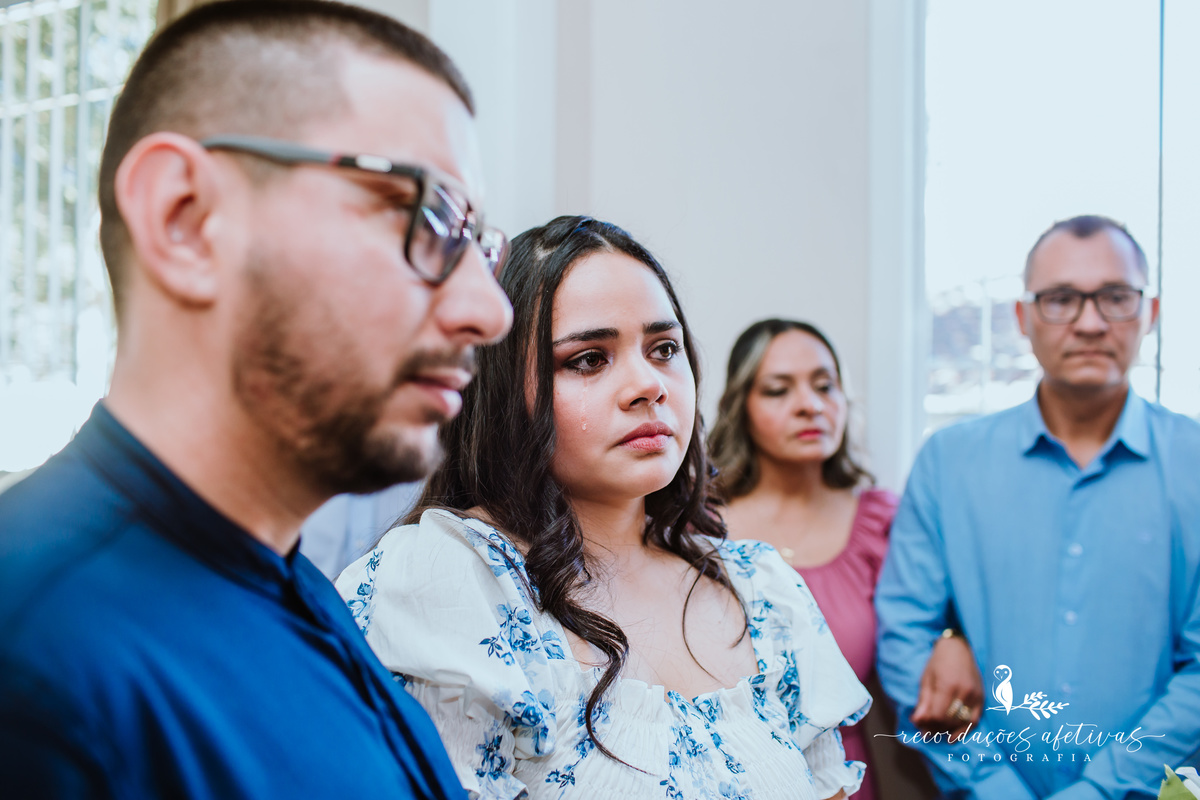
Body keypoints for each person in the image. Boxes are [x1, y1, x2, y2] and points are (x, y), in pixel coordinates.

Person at [0, 1, 513, 797]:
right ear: (186, 220)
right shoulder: (38, 665)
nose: (491, 309)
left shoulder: (290, 587)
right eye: (425, 213)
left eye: (479, 246)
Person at [337, 216, 871, 800]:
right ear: (502, 389)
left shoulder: (763, 589)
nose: (649, 385)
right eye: (589, 359)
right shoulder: (451, 581)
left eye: (664, 349)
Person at [876, 215, 1200, 799]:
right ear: (1023, 319)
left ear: (1149, 312)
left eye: (1116, 297)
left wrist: (1099, 792)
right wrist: (993, 786)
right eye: (1061, 299)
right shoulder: (949, 462)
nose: (1091, 322)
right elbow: (906, 639)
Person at [709, 319, 977, 800]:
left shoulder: (882, 522)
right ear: (740, 408)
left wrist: (953, 638)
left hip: (848, 783)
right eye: (777, 390)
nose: (810, 405)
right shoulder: (694, 531)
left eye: (825, 385)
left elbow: (942, 613)